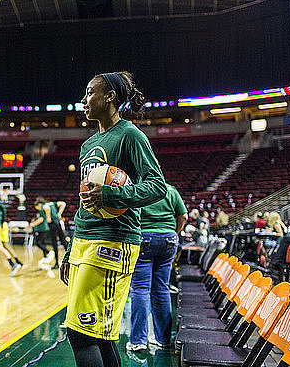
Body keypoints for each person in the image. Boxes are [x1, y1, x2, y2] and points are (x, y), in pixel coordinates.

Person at [60, 71, 168, 367]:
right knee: (99, 335)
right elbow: (85, 204)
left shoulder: (131, 135)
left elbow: (157, 185)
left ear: (110, 97)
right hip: (86, 241)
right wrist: (71, 250)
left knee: (80, 333)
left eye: (90, 92)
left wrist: (110, 195)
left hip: (113, 242)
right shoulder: (87, 146)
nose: (84, 99)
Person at [127, 185, 187, 353]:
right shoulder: (170, 190)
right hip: (168, 239)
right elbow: (183, 216)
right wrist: (172, 233)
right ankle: (163, 340)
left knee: (140, 289)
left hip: (144, 238)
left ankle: (138, 341)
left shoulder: (137, 189)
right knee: (161, 289)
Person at [0, 200, 24, 272]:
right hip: (2, 225)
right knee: (5, 245)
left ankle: (14, 262)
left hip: (1, 226)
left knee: (4, 245)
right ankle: (17, 261)